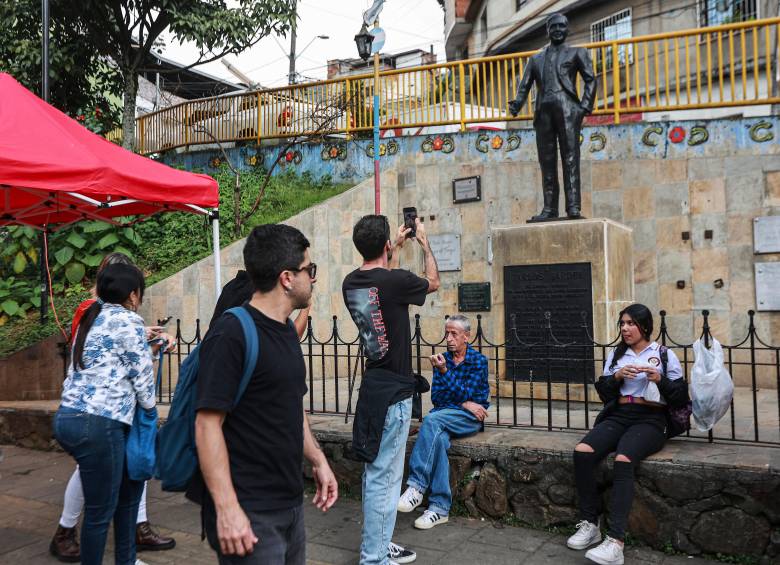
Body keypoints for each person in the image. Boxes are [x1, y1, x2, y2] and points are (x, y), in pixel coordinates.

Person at [193, 224, 338, 564]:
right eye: (308, 270)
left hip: (289, 505)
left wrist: (318, 459)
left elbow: (290, 405)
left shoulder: (286, 330)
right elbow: (206, 425)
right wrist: (227, 509)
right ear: (287, 278)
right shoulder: (232, 333)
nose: (311, 278)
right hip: (249, 511)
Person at [50, 252, 176, 562]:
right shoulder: (128, 320)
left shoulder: (91, 317)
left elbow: (108, 361)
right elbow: (143, 380)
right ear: (134, 294)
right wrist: (148, 412)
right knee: (102, 511)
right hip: (99, 423)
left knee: (120, 500)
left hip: (69, 417)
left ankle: (127, 559)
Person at [342, 214, 440, 565]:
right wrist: (424, 243)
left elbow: (380, 281)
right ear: (385, 245)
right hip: (395, 395)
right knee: (385, 480)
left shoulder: (350, 282)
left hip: (372, 389)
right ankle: (374, 557)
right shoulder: (396, 281)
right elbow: (433, 282)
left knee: (375, 475)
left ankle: (380, 545)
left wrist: (393, 246)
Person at [567, 304, 689, 565]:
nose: (625, 328)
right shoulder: (615, 355)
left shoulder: (664, 355)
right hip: (619, 415)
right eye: (622, 323)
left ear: (644, 325)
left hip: (652, 420)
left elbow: (680, 396)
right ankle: (590, 524)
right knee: (582, 452)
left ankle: (616, 542)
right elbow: (604, 392)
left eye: (631, 323)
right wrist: (618, 376)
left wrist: (660, 379)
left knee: (623, 459)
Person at [397, 314, 489, 530]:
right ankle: (439, 508)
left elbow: (471, 394)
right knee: (436, 438)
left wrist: (446, 374)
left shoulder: (478, 361)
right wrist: (465, 402)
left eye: (453, 334)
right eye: (446, 333)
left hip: (468, 420)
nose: (448, 338)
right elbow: (438, 397)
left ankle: (417, 486)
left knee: (431, 419)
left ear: (466, 337)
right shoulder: (442, 360)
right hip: (447, 415)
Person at [508, 12, 596, 221]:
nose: (557, 30)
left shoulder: (577, 53)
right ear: (547, 31)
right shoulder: (535, 58)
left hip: (568, 111)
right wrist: (518, 104)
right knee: (546, 162)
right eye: (553, 27)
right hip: (543, 113)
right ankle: (550, 209)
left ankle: (573, 207)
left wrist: (583, 107)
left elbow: (591, 80)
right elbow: (525, 85)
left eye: (561, 26)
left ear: (567, 29)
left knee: (571, 159)